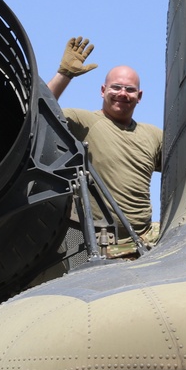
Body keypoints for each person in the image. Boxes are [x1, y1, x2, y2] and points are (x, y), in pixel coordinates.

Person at [47, 36, 163, 256]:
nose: (122, 93)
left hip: (141, 244)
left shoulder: (153, 135)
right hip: (91, 245)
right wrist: (65, 74)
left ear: (139, 97)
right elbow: (38, 110)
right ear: (103, 90)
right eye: (116, 87)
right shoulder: (84, 122)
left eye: (129, 90)